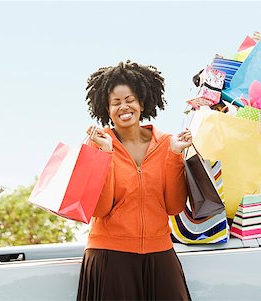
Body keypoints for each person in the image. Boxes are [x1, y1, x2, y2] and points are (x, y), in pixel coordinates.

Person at [77, 60, 192, 301]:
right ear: (106, 109)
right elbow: (100, 208)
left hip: (160, 253)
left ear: (142, 102)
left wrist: (174, 155)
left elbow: (173, 206)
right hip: (110, 255)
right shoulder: (98, 143)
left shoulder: (167, 143)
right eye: (115, 103)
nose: (124, 107)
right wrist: (105, 154)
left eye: (129, 100)